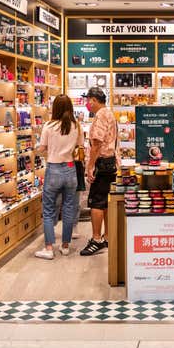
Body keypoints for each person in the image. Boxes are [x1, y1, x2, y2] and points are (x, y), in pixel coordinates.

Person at [34, 95, 83, 260]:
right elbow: (80, 147)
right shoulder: (76, 126)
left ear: (54, 108)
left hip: (53, 168)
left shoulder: (48, 126)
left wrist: (37, 149)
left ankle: (48, 248)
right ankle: (65, 246)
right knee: (69, 209)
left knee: (48, 210)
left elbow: (42, 148)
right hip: (70, 169)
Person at [80, 87, 118, 256]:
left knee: (96, 202)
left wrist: (90, 166)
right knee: (106, 202)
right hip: (110, 162)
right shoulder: (109, 113)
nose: (87, 104)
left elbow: (96, 143)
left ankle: (96, 239)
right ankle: (108, 237)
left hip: (102, 163)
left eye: (88, 100)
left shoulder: (101, 115)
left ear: (94, 100)